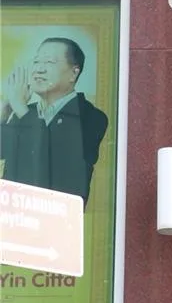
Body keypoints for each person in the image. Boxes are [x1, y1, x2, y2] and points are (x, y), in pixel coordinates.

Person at [0, 36, 108, 204]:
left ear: (74, 73)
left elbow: (53, 155)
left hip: (57, 219)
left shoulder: (91, 117)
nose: (39, 69)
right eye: (36, 62)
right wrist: (4, 113)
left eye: (49, 62)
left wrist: (21, 109)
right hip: (16, 219)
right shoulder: (26, 112)